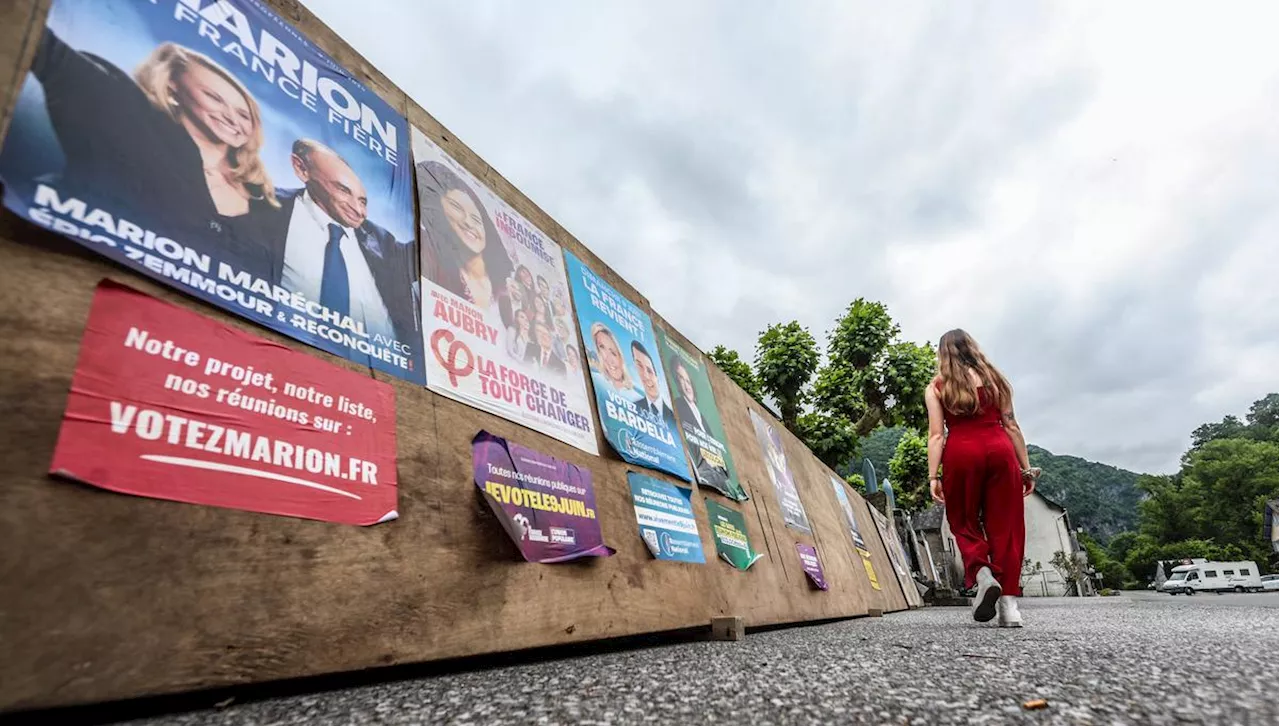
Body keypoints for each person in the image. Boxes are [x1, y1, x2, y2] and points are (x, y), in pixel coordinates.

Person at [27, 30, 282, 278]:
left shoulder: (267, 199)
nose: (231, 117)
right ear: (173, 87)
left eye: (243, 114)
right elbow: (45, 47)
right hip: (78, 278)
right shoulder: (131, 120)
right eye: (214, 98)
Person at [925, 329, 1039, 628]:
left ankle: (983, 574)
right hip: (1000, 450)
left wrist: (933, 475)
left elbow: (937, 435)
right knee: (1007, 527)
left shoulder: (937, 387)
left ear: (943, 354)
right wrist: (1025, 469)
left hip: (961, 453)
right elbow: (1011, 425)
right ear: (973, 348)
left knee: (963, 522)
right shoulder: (996, 381)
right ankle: (1009, 608)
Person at [269, 140, 418, 348]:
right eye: (343, 190)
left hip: (382, 368)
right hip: (285, 351)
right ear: (302, 169)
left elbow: (421, 258)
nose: (359, 211)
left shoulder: (380, 240)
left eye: (363, 201)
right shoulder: (264, 206)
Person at [418, 160, 514, 325]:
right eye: (457, 208)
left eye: (476, 218)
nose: (469, 223)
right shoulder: (436, 270)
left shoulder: (507, 288)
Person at [631, 341, 677, 432]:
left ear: (658, 377)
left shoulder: (673, 419)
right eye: (639, 367)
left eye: (649, 371)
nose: (646, 376)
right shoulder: (634, 407)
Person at [589, 322, 638, 401]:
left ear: (620, 357)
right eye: (602, 347)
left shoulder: (636, 398)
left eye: (613, 353)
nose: (609, 359)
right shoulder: (596, 380)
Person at [670, 358, 708, 433]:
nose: (687, 387)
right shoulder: (678, 405)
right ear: (678, 384)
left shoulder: (701, 416)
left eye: (688, 381)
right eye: (681, 379)